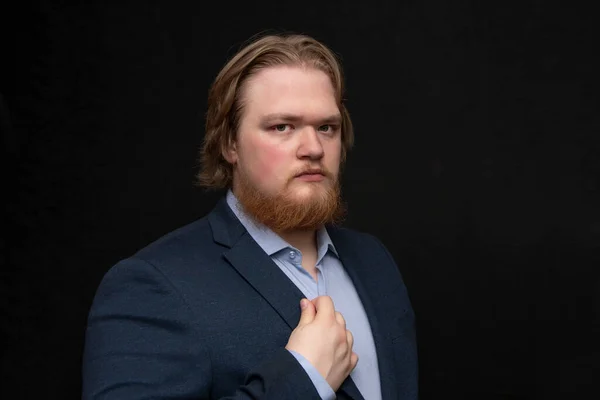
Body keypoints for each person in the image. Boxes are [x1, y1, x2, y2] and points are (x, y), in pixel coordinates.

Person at [82, 32, 418, 400]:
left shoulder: (374, 262)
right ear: (229, 144)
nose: (313, 148)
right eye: (282, 127)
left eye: (327, 127)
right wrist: (304, 377)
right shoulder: (151, 287)